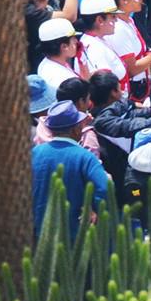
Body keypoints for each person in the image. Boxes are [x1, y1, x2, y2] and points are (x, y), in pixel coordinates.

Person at [31, 102, 111, 239]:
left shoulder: (35, 153)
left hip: (41, 233)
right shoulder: (85, 157)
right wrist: (96, 210)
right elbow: (104, 188)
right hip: (74, 235)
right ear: (75, 129)